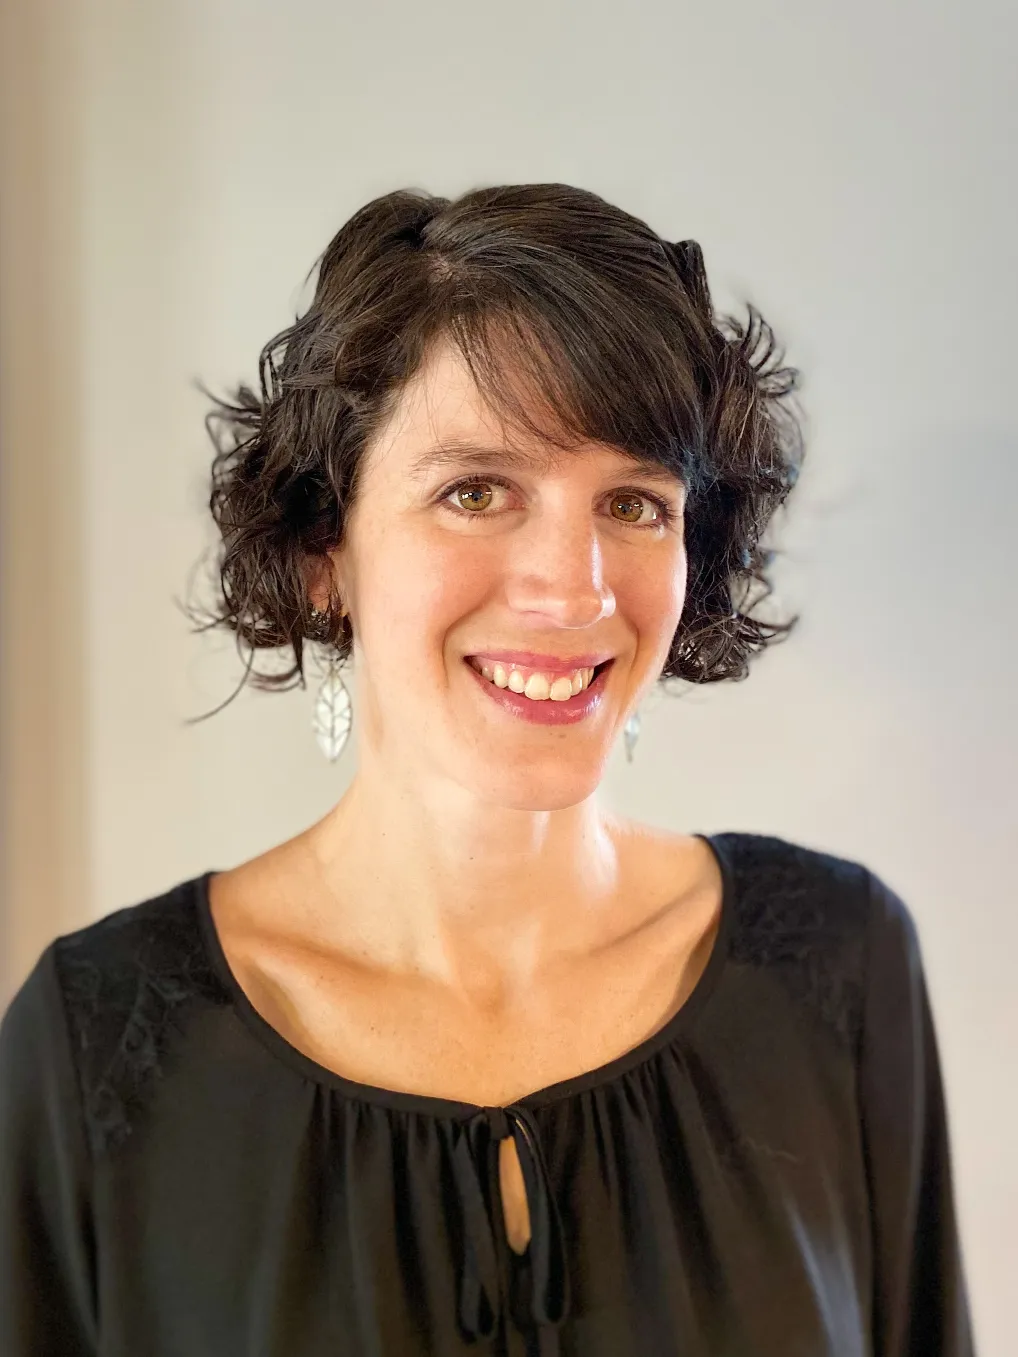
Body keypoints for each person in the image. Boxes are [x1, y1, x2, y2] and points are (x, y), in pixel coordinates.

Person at [0, 183, 975, 1356]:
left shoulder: (837, 965)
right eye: (476, 491)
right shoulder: (99, 1038)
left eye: (633, 502)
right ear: (324, 548)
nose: (575, 590)